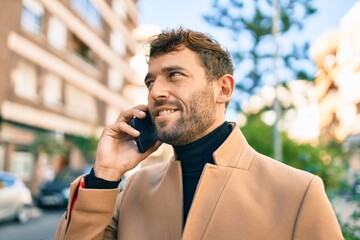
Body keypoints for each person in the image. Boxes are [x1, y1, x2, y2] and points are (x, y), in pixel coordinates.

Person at [54, 27, 343, 239]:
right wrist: (105, 174)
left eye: (174, 75)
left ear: (223, 89)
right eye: (150, 81)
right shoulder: (130, 189)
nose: (155, 92)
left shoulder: (298, 192)